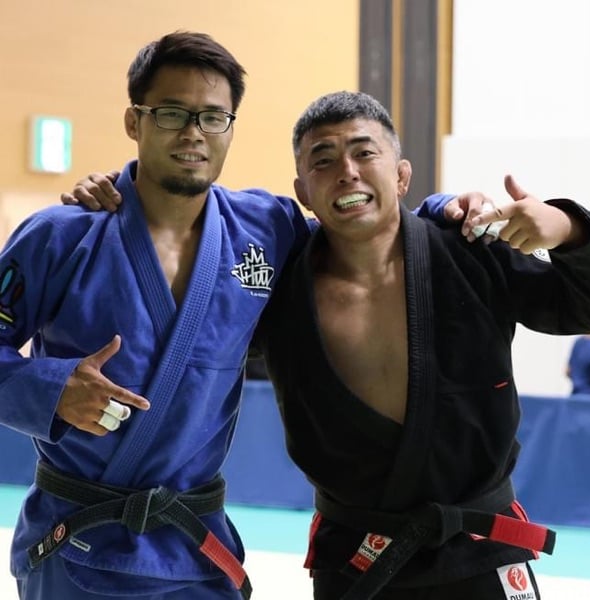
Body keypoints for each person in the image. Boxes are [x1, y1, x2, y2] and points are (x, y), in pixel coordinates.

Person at [0, 31, 484, 600]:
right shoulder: (61, 237)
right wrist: (51, 389)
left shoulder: (266, 229)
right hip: (79, 543)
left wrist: (443, 211)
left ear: (230, 127)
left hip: (195, 550)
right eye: (172, 113)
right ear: (134, 122)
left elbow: (363, 231)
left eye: (213, 117)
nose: (193, 133)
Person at [249, 91, 590, 599]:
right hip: (357, 555)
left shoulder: (470, 253)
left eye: (364, 152)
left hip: (479, 547)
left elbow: (587, 307)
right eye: (323, 160)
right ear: (303, 190)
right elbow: (192, 342)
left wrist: (570, 229)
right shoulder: (278, 288)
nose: (347, 171)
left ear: (401, 176)